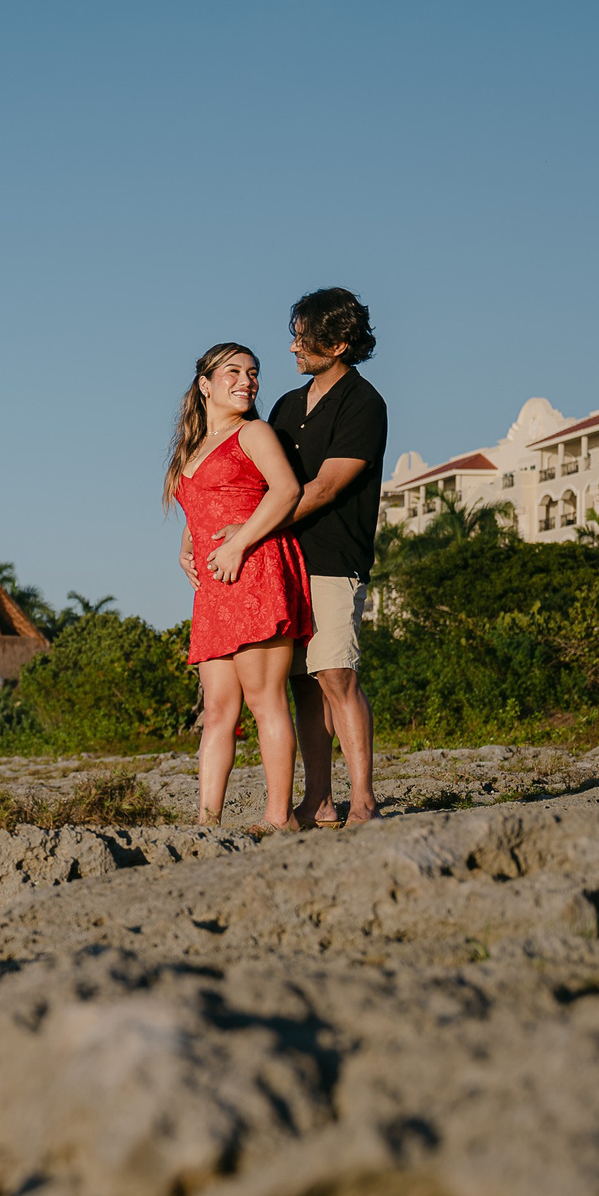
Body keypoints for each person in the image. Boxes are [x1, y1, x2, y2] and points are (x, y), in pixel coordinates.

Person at [168, 342, 313, 830]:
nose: (247, 380)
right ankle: (207, 822)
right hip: (213, 587)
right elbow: (202, 503)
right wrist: (187, 545)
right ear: (205, 385)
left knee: (264, 698)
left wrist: (238, 544)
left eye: (253, 372)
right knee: (217, 713)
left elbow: (287, 490)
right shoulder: (192, 448)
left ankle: (279, 818)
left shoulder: (254, 432)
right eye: (233, 371)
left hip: (254, 569)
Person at [267, 288, 387, 824]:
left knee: (336, 676)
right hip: (283, 562)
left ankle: (362, 797)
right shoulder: (286, 406)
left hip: (335, 558)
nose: (293, 346)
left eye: (304, 337)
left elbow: (323, 488)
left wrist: (248, 531)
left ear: (338, 344)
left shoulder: (364, 403)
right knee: (300, 684)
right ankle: (319, 799)